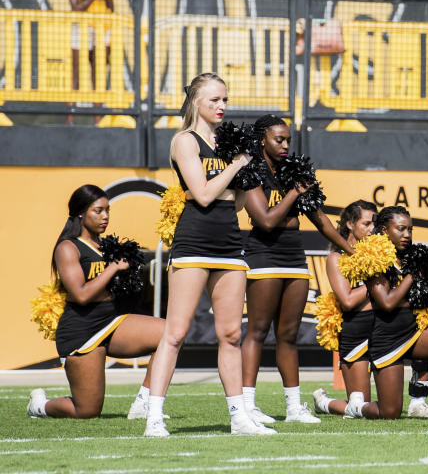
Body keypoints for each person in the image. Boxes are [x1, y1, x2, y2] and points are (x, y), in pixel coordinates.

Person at [144, 73, 275, 437]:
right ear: (196, 102)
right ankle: (154, 417)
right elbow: (201, 195)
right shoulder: (185, 141)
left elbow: (234, 205)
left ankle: (239, 418)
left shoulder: (229, 143)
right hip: (194, 243)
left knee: (231, 334)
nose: (222, 107)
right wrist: (235, 165)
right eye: (215, 100)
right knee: (175, 334)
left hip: (230, 244)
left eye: (225, 100)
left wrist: (247, 177)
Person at [240, 114, 354, 425]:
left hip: (294, 256)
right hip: (263, 254)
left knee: (288, 335)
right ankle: (247, 406)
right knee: (258, 331)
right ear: (263, 139)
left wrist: (353, 251)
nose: (285, 145)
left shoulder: (297, 173)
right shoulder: (250, 171)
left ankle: (293, 407)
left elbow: (322, 222)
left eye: (288, 140)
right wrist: (294, 192)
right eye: (279, 139)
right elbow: (264, 219)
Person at [28, 185, 166, 420]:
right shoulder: (68, 248)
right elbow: (81, 295)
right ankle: (40, 406)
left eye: (108, 211)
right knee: (87, 411)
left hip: (112, 322)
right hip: (82, 331)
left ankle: (144, 401)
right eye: (98, 211)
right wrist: (112, 269)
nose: (105, 217)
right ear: (81, 213)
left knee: (170, 333)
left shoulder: (108, 248)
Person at [349, 206, 428, 422]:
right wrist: (412, 276)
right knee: (389, 413)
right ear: (384, 231)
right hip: (387, 339)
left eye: (410, 230)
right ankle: (357, 408)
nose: (407, 235)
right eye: (400, 229)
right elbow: (387, 303)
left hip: (414, 332)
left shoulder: (412, 256)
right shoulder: (373, 257)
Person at [313, 200, 378, 417]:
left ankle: (418, 399)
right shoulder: (336, 258)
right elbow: (348, 301)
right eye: (366, 224)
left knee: (387, 407)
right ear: (350, 224)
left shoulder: (381, 255)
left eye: (373, 225)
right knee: (361, 408)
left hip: (383, 330)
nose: (371, 229)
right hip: (356, 333)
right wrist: (376, 280)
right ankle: (324, 403)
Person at [67, 0, 114, 92]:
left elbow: (111, 8)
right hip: (82, 29)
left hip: (102, 30)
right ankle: (70, 112)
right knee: (76, 71)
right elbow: (75, 8)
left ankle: (98, 114)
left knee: (98, 73)